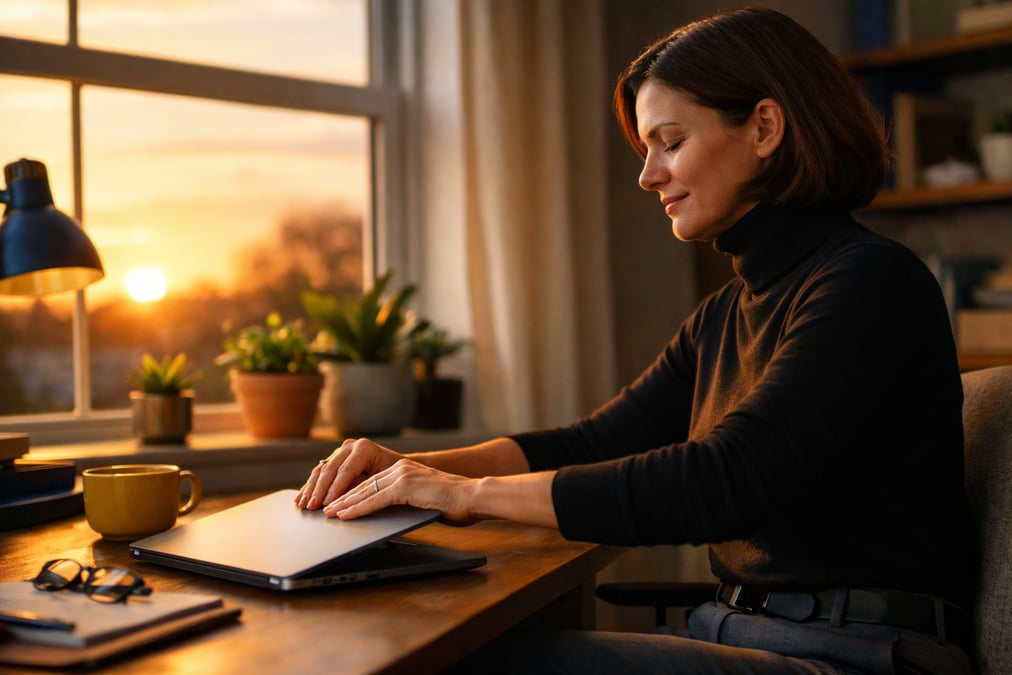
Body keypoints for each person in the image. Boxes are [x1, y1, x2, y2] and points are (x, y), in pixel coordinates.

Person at [295, 7, 978, 674]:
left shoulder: (871, 282)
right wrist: (411, 473)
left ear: (765, 126)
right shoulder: (723, 315)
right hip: (740, 628)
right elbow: (595, 442)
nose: (650, 175)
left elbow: (731, 479)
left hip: (853, 652)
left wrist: (468, 496)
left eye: (671, 141)